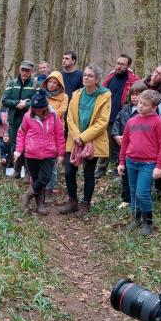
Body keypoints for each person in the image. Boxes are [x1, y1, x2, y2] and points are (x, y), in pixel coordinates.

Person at [60, 64, 111, 217]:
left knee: (89, 173)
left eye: (90, 76)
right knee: (69, 171)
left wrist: (83, 138)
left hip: (92, 140)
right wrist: (76, 136)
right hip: (74, 139)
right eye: (85, 75)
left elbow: (102, 122)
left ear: (97, 80)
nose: (86, 77)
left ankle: (86, 203)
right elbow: (70, 117)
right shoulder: (76, 94)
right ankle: (72, 200)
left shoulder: (105, 96)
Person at [117, 90, 161, 235]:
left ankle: (148, 222)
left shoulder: (158, 122)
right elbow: (125, 142)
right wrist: (121, 162)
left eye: (145, 105)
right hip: (131, 161)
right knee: (133, 192)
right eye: (140, 103)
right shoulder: (131, 121)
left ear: (154, 107)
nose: (140, 106)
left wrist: (159, 166)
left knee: (142, 192)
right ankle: (136, 218)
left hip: (148, 164)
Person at [14, 89, 65, 215]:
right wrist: (18, 150)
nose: (36, 110)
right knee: (36, 179)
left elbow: (59, 135)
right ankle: (40, 204)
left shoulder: (53, 116)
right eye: (34, 108)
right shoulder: (27, 116)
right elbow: (21, 133)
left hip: (48, 153)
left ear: (45, 106)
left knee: (45, 177)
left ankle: (26, 196)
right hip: (31, 154)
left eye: (39, 108)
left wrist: (60, 154)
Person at [96, 54, 141, 178]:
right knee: (106, 144)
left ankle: (119, 169)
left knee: (122, 144)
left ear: (128, 66)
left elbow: (139, 95)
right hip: (107, 116)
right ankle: (101, 168)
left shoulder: (134, 80)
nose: (119, 66)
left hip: (124, 117)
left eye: (122, 64)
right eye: (117, 63)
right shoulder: (111, 77)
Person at [111, 81, 149, 209]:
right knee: (125, 175)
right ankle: (126, 199)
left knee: (140, 177)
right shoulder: (125, 110)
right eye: (132, 94)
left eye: (138, 94)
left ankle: (140, 200)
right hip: (124, 148)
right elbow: (116, 124)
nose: (134, 97)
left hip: (139, 150)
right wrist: (116, 136)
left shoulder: (145, 113)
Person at [1, 60, 36, 180]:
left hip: (29, 120)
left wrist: (25, 105)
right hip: (14, 120)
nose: (25, 72)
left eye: (27, 70)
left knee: (28, 146)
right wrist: (18, 103)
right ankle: (16, 170)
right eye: (23, 70)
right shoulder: (12, 83)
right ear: (19, 69)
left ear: (32, 71)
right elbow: (5, 100)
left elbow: (37, 102)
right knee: (14, 145)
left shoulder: (35, 84)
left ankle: (27, 173)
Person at [41, 71, 68, 203]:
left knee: (52, 160)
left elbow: (60, 112)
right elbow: (35, 110)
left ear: (59, 85)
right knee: (41, 159)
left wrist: (46, 112)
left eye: (54, 83)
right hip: (41, 130)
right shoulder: (41, 94)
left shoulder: (64, 97)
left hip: (56, 130)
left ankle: (50, 188)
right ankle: (41, 186)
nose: (51, 85)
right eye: (49, 82)